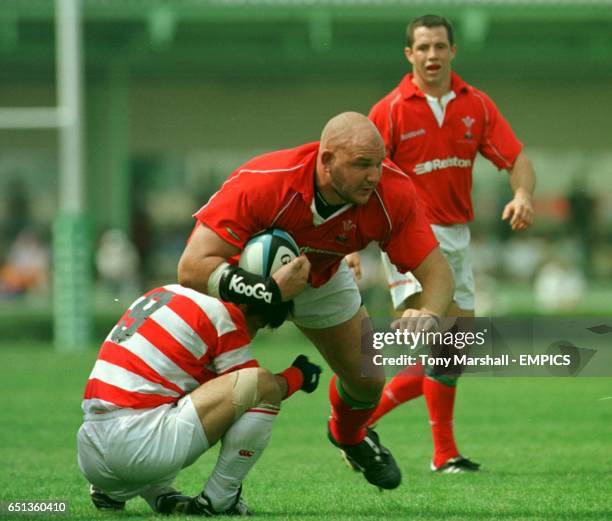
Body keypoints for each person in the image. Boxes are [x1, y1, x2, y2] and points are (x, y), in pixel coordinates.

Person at [177, 111, 455, 490]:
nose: (374, 175)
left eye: (378, 162)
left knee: (368, 382)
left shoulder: (392, 192)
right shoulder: (264, 182)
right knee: (193, 376)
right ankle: (129, 453)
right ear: (326, 160)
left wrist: (429, 312)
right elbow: (191, 267)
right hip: (242, 279)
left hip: (321, 275)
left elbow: (437, 273)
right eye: (361, 165)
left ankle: (351, 438)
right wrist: (270, 292)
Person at [346, 14, 536, 473]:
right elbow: (357, 180)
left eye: (440, 47)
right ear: (409, 55)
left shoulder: (478, 106)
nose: (432, 55)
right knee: (437, 340)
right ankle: (439, 452)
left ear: (453, 51)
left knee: (455, 349)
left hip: (456, 236)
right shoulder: (388, 110)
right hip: (409, 238)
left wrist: (523, 194)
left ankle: (359, 428)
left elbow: (517, 157)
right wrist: (351, 245)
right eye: (423, 48)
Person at [77, 282, 322, 515]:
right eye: (257, 324)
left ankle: (128, 493)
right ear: (247, 304)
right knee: (261, 384)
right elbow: (253, 386)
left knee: (170, 397)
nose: (252, 335)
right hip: (139, 448)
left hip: (90, 450)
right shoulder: (224, 314)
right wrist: (296, 376)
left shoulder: (168, 291)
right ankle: (220, 499)